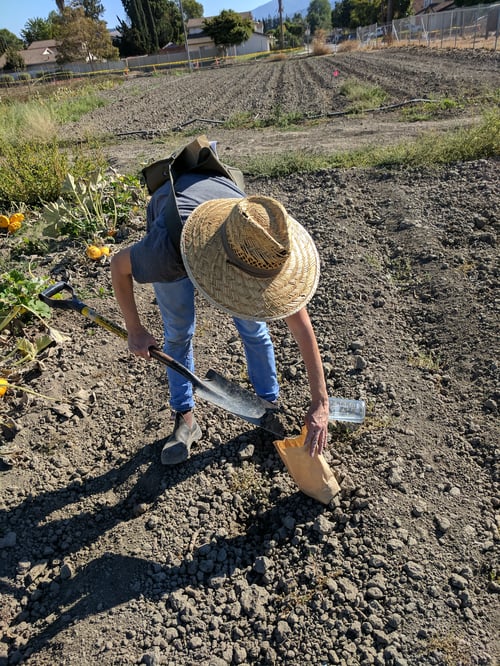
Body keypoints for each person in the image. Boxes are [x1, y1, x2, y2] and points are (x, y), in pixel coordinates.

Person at [110, 160, 329, 466]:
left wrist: (320, 402)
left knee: (254, 328)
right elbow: (119, 268)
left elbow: (302, 325)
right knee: (179, 330)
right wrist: (135, 329)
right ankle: (184, 416)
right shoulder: (164, 251)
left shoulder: (260, 241)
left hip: (222, 210)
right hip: (178, 227)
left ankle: (269, 408)